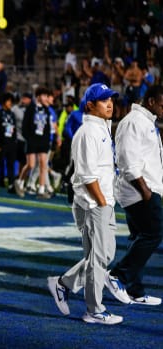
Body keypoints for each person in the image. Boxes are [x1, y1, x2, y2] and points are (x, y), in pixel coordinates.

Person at [47, 83, 123, 325]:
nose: (110, 104)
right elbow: (88, 175)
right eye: (104, 100)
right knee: (99, 257)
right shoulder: (88, 132)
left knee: (103, 254)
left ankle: (63, 283)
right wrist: (101, 202)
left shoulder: (101, 129)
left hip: (102, 202)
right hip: (93, 204)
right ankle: (94, 309)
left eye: (111, 99)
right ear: (90, 105)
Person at [106, 85, 163, 306]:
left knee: (139, 236)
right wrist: (146, 191)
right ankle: (118, 275)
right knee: (154, 233)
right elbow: (127, 160)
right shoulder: (133, 122)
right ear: (150, 101)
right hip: (139, 191)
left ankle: (135, 290)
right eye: (162, 104)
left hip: (143, 189)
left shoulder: (146, 121)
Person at [14, 87, 52, 199]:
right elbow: (25, 126)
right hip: (32, 140)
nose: (46, 98)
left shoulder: (46, 110)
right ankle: (20, 181)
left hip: (42, 140)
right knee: (30, 164)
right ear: (38, 96)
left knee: (43, 164)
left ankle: (41, 190)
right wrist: (29, 138)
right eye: (44, 96)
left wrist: (47, 140)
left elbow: (47, 127)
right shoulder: (31, 108)